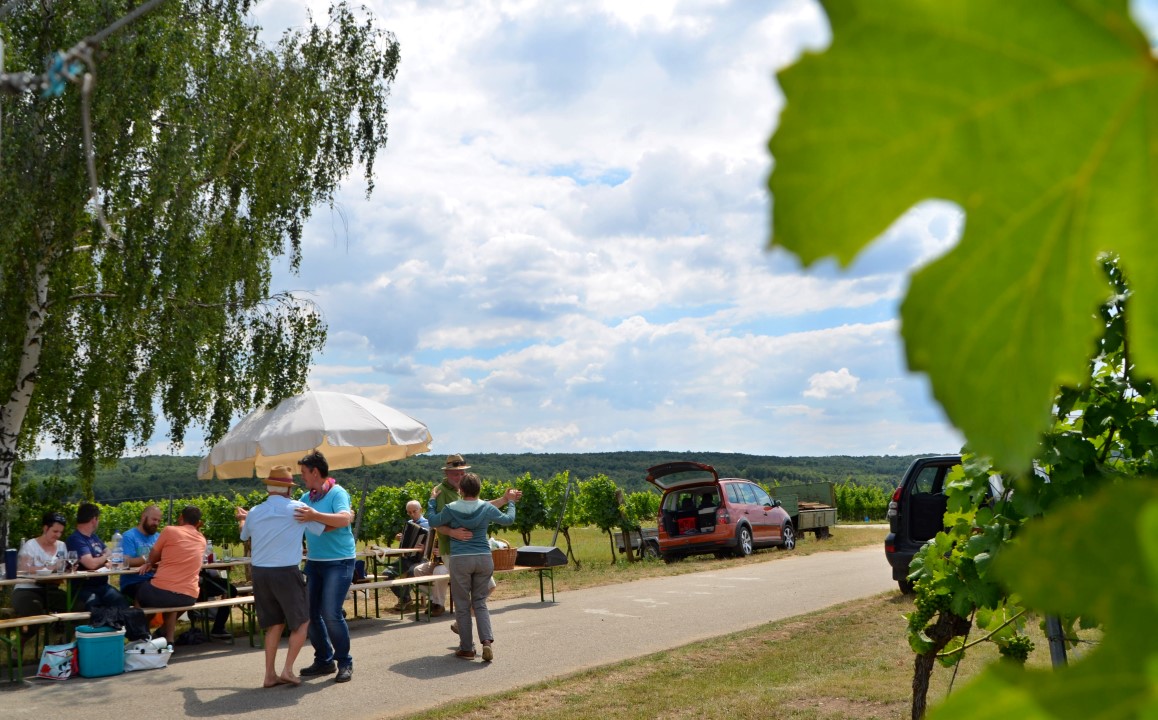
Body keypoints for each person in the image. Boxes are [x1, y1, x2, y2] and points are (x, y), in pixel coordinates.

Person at [236, 465, 324, 688]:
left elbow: (243, 534)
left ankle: (269, 675)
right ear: (287, 489)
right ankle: (287, 670)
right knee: (302, 621)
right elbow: (319, 528)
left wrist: (242, 518)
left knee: (273, 624)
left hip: (260, 572)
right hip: (286, 571)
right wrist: (346, 517)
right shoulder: (297, 508)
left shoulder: (255, 511)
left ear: (269, 488)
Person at [426, 472, 516, 662]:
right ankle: (487, 643)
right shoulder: (485, 507)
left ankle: (467, 648)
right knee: (480, 602)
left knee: (462, 604)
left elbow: (433, 521)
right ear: (479, 489)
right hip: (483, 558)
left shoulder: (451, 508)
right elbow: (508, 520)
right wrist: (511, 502)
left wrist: (432, 501)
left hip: (461, 559)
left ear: (461, 490)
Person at [432, 453, 520, 626]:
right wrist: (452, 532)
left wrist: (505, 499)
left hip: (473, 550)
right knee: (466, 593)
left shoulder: (464, 488)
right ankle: (467, 632)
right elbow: (435, 523)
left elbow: (484, 508)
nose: (459, 476)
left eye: (462, 473)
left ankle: (461, 624)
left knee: (489, 587)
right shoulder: (440, 492)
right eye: (455, 473)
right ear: (447, 473)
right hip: (452, 549)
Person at [294, 450, 357, 683]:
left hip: (339, 562)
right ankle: (324, 660)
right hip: (315, 562)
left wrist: (314, 516)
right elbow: (292, 516)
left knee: (330, 613)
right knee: (309, 615)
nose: (302, 477)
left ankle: (345, 662)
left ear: (315, 472)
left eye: (304, 473)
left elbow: (344, 519)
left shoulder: (338, 492)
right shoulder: (305, 497)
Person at [135, 505, 207, 645]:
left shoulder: (169, 531)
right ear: (198, 523)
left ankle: (141, 635)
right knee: (173, 597)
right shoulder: (202, 540)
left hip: (164, 591)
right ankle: (168, 639)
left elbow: (153, 556)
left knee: (139, 593)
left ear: (180, 518)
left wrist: (150, 562)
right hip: (189, 596)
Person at [65, 502, 127, 611]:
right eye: (98, 519)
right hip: (83, 587)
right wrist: (105, 558)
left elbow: (108, 552)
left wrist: (105, 558)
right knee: (96, 607)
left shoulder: (94, 537)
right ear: (94, 519)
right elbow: (91, 564)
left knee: (121, 602)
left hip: (102, 585)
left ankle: (118, 627)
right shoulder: (76, 539)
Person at [12, 511, 69, 621]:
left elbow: (62, 571)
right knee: (33, 616)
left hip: (51, 589)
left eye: (60, 532)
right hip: (27, 589)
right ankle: (23, 636)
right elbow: (22, 570)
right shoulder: (30, 545)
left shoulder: (62, 546)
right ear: (45, 528)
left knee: (77, 606)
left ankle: (67, 637)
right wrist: (50, 569)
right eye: (55, 531)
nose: (58, 535)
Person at [389, 500, 430, 612]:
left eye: (414, 511)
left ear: (420, 510)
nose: (412, 514)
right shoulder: (409, 523)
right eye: (409, 512)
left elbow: (432, 545)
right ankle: (405, 597)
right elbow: (405, 541)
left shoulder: (429, 524)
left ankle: (404, 599)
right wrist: (400, 537)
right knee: (386, 574)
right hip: (407, 557)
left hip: (422, 559)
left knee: (412, 571)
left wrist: (424, 548)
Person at [120, 505, 162, 601]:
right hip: (133, 582)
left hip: (154, 580)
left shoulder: (158, 537)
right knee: (149, 594)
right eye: (154, 519)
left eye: (159, 521)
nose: (156, 523)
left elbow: (164, 559)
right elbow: (127, 561)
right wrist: (150, 559)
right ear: (143, 517)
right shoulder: (129, 536)